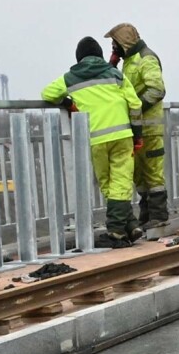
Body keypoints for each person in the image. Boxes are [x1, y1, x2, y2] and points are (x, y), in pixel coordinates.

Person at [42, 37, 143, 243]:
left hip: (95, 139)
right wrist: (138, 134)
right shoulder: (115, 74)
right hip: (122, 135)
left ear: (79, 58)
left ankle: (120, 227)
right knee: (121, 180)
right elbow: (135, 104)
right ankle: (126, 225)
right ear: (99, 55)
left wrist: (67, 102)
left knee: (107, 181)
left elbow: (47, 93)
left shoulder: (70, 78)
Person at [105, 23, 168, 226]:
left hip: (149, 129)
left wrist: (136, 108)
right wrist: (111, 65)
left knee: (153, 173)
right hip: (135, 129)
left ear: (124, 41)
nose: (113, 48)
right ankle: (147, 215)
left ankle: (159, 216)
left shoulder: (146, 58)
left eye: (115, 44)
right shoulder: (129, 61)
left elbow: (156, 89)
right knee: (138, 175)